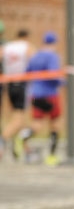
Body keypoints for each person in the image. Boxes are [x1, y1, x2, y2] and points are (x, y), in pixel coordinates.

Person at [22, 31, 63, 165]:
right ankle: (51, 156)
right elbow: (53, 75)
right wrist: (62, 82)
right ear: (54, 42)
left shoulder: (35, 56)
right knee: (55, 125)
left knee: (37, 124)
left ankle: (22, 137)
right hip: (50, 94)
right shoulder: (52, 56)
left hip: (35, 94)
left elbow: (27, 72)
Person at [0, 29, 35, 159]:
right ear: (26, 37)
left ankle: (25, 149)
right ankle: (2, 139)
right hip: (21, 85)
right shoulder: (27, 46)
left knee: (18, 117)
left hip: (10, 85)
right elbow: (35, 61)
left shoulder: (7, 46)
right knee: (18, 120)